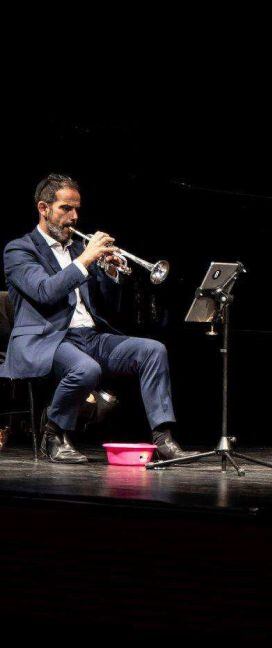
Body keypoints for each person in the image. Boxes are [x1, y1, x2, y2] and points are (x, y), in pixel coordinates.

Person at [0, 174, 196, 464]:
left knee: (152, 350)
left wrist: (111, 272)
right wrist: (85, 261)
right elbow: (44, 292)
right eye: (66, 208)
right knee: (85, 369)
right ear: (44, 208)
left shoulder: (79, 249)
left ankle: (164, 439)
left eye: (77, 209)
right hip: (47, 339)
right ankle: (53, 435)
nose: (74, 217)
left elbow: (106, 306)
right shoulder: (20, 249)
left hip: (88, 336)